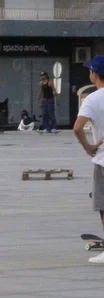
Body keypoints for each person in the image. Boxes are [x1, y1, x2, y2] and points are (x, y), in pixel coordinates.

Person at [73, 55, 104, 263]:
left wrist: (88, 147)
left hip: (103, 160)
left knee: (103, 205)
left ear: (95, 74)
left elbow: (77, 127)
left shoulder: (92, 99)